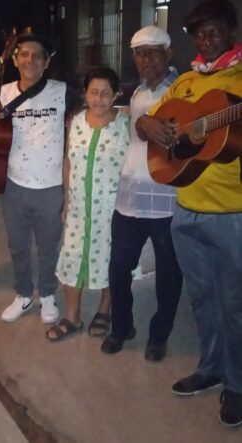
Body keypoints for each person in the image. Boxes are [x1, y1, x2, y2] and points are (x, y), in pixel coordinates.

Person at [135, 0, 242, 427]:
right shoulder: (187, 84)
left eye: (215, 31)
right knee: (202, 300)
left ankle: (237, 384)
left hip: (232, 214)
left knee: (234, 304)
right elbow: (151, 122)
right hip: (185, 211)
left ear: (232, 32)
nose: (207, 39)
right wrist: (148, 126)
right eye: (200, 34)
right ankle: (212, 367)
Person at [0, 34, 81, 324]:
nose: (30, 59)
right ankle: (23, 295)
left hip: (51, 186)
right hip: (13, 184)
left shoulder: (63, 92)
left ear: (47, 63)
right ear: (14, 59)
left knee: (49, 246)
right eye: (24, 54)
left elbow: (91, 115)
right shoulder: (3, 91)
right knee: (18, 246)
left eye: (37, 55)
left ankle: (47, 295)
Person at [100, 26, 183, 361]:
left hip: (166, 200)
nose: (146, 58)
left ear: (169, 53)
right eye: (139, 52)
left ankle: (159, 334)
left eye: (153, 50)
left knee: (168, 276)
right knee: (118, 269)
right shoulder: (135, 93)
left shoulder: (183, 88)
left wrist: (150, 124)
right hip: (129, 198)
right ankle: (122, 327)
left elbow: (180, 131)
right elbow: (135, 131)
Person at [45, 67, 129, 341]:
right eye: (94, 92)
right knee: (71, 257)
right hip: (80, 206)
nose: (99, 98)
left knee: (111, 259)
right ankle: (73, 316)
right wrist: (67, 201)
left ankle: (106, 307)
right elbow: (68, 161)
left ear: (116, 94)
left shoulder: (125, 124)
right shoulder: (77, 121)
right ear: (85, 94)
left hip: (112, 207)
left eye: (106, 93)